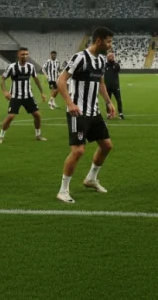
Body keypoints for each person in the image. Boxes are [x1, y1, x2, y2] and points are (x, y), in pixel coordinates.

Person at [55, 27, 116, 204]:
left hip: (94, 111)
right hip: (78, 112)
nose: (110, 45)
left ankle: (90, 179)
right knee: (78, 150)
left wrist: (108, 102)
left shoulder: (101, 60)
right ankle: (63, 190)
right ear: (98, 41)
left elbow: (101, 82)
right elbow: (61, 80)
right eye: (108, 42)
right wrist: (70, 103)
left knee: (106, 146)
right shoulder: (80, 57)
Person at [0, 47, 47, 143]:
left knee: (37, 115)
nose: (24, 56)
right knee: (10, 117)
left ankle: (38, 135)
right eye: (22, 54)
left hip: (28, 96)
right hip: (15, 96)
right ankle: (1, 136)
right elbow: (2, 79)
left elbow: (36, 80)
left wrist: (42, 92)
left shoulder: (30, 67)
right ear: (18, 55)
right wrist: (5, 92)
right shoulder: (12, 67)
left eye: (26, 54)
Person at [105, 52, 124, 120]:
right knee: (107, 101)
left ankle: (120, 113)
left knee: (119, 100)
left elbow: (118, 69)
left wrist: (113, 62)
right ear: (107, 57)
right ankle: (108, 113)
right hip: (107, 87)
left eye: (112, 56)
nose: (111, 57)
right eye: (109, 56)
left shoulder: (116, 65)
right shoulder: (105, 66)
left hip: (115, 87)